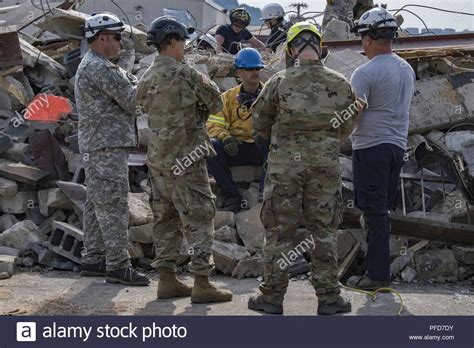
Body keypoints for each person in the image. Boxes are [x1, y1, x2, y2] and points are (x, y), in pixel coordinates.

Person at [247, 22, 355, 315]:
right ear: (320, 48)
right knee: (324, 232)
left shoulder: (279, 82)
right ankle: (329, 298)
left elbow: (259, 123)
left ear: (292, 49)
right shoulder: (340, 82)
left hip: (285, 171)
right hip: (324, 169)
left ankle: (271, 297)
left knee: (280, 234)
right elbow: (346, 126)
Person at [137, 16, 233, 303]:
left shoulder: (147, 77)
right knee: (200, 216)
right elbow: (217, 102)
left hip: (158, 160)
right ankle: (202, 282)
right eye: (183, 42)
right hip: (188, 158)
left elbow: (137, 104)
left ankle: (167, 279)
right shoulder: (187, 74)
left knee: (165, 217)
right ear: (173, 42)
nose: (185, 48)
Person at [75, 12, 150, 286]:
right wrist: (151, 82)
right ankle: (118, 266)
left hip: (101, 146)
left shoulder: (101, 65)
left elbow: (127, 83)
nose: (121, 43)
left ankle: (93, 259)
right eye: (117, 37)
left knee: (97, 203)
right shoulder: (98, 67)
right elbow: (132, 99)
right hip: (105, 146)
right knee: (114, 204)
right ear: (102, 37)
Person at [347, 7, 415, 291]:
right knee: (381, 211)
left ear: (369, 38)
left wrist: (335, 135)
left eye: (363, 36)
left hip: (371, 147)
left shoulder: (364, 73)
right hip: (396, 148)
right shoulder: (406, 68)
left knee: (374, 213)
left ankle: (377, 277)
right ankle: (376, 269)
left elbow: (356, 113)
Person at [206, 48, 269, 212]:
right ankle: (232, 195)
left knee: (274, 145)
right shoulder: (227, 97)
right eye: (250, 69)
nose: (255, 72)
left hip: (260, 147)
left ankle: (265, 195)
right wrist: (225, 137)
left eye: (257, 68)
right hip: (236, 147)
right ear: (239, 71)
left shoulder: (269, 95)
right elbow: (213, 123)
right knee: (210, 147)